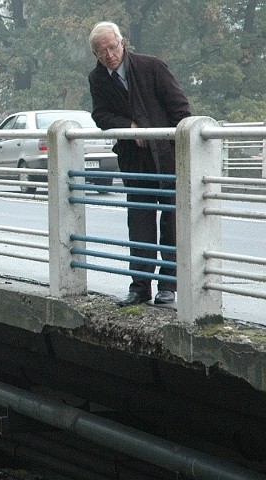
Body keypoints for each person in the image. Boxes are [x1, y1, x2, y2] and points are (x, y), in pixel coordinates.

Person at [87, 21, 191, 306]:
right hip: (134, 159)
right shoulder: (97, 78)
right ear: (95, 54)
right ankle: (140, 286)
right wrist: (130, 127)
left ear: (123, 42)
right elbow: (100, 116)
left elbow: (181, 109)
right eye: (101, 52)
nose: (109, 55)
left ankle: (168, 285)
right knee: (140, 220)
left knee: (170, 219)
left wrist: (171, 143)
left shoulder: (152, 66)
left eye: (112, 47)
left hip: (167, 156)